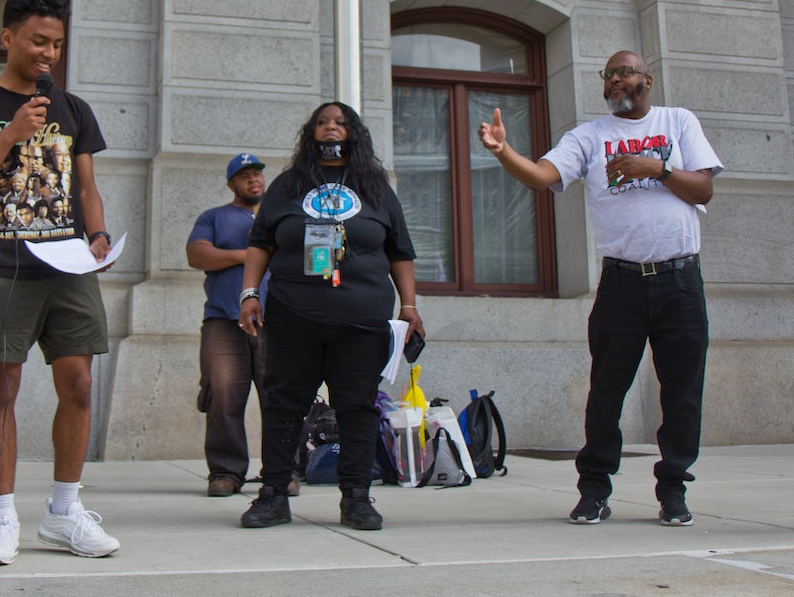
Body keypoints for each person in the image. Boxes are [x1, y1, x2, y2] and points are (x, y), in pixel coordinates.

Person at [477, 50, 722, 527]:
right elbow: (543, 176)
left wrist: (656, 169)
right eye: (608, 75)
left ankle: (673, 489)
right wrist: (504, 151)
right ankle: (594, 490)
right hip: (622, 284)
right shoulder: (589, 137)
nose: (614, 80)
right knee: (606, 392)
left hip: (680, 281)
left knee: (683, 392)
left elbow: (703, 190)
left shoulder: (678, 121)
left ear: (645, 81)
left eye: (623, 72)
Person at [0, 0, 119, 565]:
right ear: (8, 38)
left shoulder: (73, 108)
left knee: (80, 385)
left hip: (68, 269)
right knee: (1, 390)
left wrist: (98, 238)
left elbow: (86, 187)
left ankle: (64, 513)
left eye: (58, 44)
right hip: (3, 267)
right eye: (39, 41)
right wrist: (11, 135)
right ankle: (2, 515)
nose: (49, 54)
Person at [238, 102, 423, 530]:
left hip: (361, 319)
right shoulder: (287, 186)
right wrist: (250, 293)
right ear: (311, 134)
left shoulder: (376, 187)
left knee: (358, 408)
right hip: (293, 314)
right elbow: (261, 242)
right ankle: (273, 494)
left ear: (354, 133)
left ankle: (356, 497)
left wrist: (409, 306)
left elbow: (400, 251)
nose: (331, 128)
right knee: (284, 405)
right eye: (323, 122)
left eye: (340, 123)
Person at [186, 153, 278, 498]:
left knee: (279, 397)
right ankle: (225, 472)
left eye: (257, 175)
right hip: (224, 320)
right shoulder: (214, 217)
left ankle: (280, 473)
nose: (253, 180)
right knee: (223, 396)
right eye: (244, 176)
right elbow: (197, 255)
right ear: (231, 184)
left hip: (276, 321)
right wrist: (251, 254)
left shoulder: (277, 216)